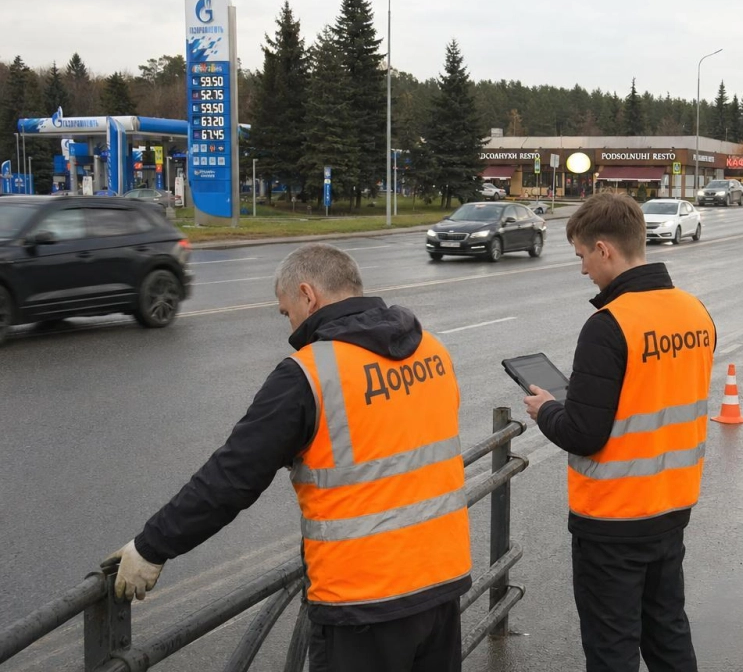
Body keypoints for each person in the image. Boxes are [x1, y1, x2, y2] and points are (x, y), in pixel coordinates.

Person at [105, 244, 471, 672]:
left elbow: (233, 475)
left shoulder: (309, 373)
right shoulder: (431, 349)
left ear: (307, 295)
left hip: (364, 603)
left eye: (286, 312)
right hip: (441, 585)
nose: (290, 324)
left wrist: (153, 546)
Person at [523, 192, 715, 672]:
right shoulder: (695, 311)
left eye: (582, 256)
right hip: (671, 506)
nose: (583, 269)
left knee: (612, 650)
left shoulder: (608, 326)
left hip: (612, 520)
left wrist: (547, 409)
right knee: (668, 633)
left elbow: (584, 432)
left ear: (604, 249)